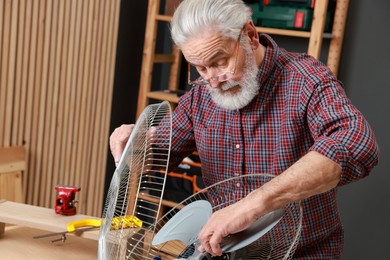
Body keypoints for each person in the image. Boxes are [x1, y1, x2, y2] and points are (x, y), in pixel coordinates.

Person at [110, 0, 379, 258]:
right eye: (200, 68)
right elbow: (158, 154)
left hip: (301, 254)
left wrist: (254, 203)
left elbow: (356, 144)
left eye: (220, 62)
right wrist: (135, 144)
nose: (212, 81)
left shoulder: (306, 80)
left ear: (249, 35)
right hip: (226, 254)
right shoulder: (199, 98)